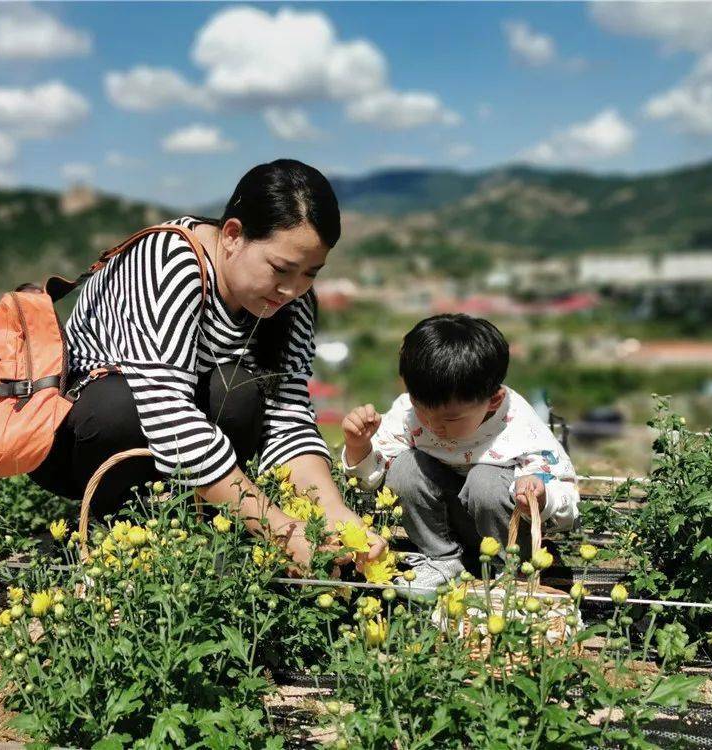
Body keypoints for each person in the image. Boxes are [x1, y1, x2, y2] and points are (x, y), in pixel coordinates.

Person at [29, 159, 385, 571]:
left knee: (239, 391)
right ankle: (117, 535)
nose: (292, 289)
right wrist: (280, 528)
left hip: (177, 448)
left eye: (310, 273)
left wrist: (334, 513)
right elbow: (166, 410)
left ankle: (193, 528)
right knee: (120, 404)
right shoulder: (170, 264)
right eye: (280, 269)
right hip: (82, 438)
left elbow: (288, 418)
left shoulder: (294, 303)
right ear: (232, 235)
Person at [340, 314, 579, 589]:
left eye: (450, 420)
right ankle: (443, 560)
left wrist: (540, 496)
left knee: (485, 480)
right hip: (445, 525)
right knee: (405, 467)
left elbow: (567, 503)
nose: (432, 427)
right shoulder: (408, 414)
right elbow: (372, 480)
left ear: (493, 401)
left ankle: (511, 573)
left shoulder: (518, 427)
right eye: (421, 410)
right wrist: (359, 445)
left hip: (506, 532)